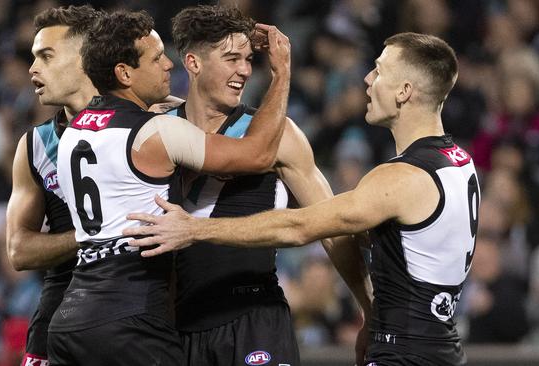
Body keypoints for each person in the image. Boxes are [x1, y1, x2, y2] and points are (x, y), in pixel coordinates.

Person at [125, 32, 479, 366]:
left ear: (404, 91)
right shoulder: (458, 162)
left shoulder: (400, 178)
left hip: (404, 351)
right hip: (440, 346)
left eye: (379, 71)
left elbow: (299, 226)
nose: (368, 80)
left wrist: (194, 230)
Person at [48, 10, 291, 366]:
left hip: (70, 318)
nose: (168, 65)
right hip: (131, 318)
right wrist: (282, 73)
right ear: (124, 72)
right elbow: (257, 154)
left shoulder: (73, 131)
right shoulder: (158, 132)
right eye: (156, 58)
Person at [164, 5, 371, 366]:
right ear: (193, 63)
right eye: (231, 58)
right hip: (177, 327)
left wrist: (370, 311)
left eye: (247, 59)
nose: (244, 70)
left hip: (254, 318)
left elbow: (334, 228)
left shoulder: (279, 134)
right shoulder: (158, 130)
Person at [5, 5, 102, 366]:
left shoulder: (147, 126)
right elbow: (18, 249)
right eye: (33, 58)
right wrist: (92, 234)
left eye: (46, 56)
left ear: (85, 58)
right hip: (57, 312)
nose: (32, 69)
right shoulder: (35, 144)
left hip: (135, 315)